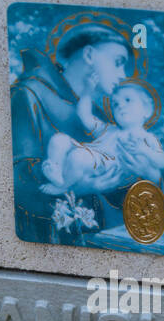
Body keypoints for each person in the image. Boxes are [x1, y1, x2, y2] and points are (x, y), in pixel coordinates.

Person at [9, 19, 133, 244]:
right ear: (89, 55)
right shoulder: (28, 94)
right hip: (44, 242)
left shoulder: (94, 114)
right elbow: (17, 182)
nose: (123, 74)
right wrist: (83, 186)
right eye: (118, 62)